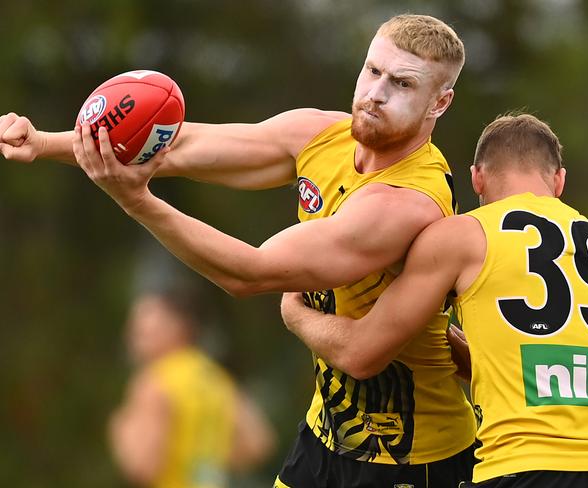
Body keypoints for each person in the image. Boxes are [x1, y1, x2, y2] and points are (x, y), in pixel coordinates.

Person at [0, 15, 477, 487]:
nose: (376, 93)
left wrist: (137, 201)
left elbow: (251, 273)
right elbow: (178, 144)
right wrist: (43, 143)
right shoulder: (321, 134)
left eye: (402, 84)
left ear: (440, 101)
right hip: (324, 438)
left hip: (415, 459)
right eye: (372, 71)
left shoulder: (405, 203)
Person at [280, 113, 588, 487]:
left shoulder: (465, 235)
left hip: (520, 468)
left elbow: (360, 352)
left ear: (476, 177)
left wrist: (296, 313)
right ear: (559, 181)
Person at [110, 290, 276, 488]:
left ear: (179, 327)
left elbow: (142, 467)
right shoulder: (215, 377)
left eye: (143, 331)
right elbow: (258, 444)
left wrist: (120, 429)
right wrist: (209, 457)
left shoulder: (155, 381)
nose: (132, 336)